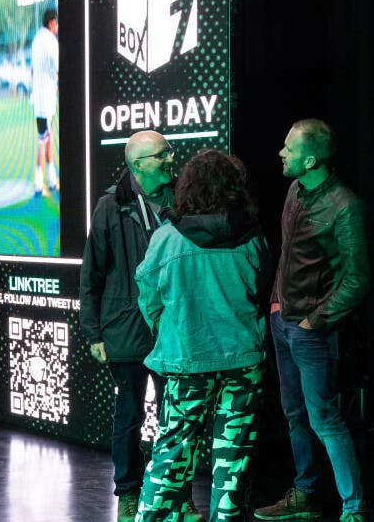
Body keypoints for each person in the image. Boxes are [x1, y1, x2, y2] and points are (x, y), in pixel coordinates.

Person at [135, 149, 271, 522]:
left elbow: (148, 295)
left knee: (173, 450)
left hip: (185, 356)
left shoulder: (166, 239)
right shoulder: (253, 236)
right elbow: (260, 290)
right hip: (242, 357)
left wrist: (166, 330)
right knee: (232, 457)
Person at [254, 119, 370, 522]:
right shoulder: (294, 191)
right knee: (294, 414)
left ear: (311, 157)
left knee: (325, 418)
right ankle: (304, 493)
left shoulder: (344, 206)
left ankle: (353, 508)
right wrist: (275, 306)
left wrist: (314, 322)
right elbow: (288, 255)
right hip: (282, 320)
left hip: (311, 331)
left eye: (288, 148)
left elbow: (357, 279)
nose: (281, 154)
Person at [79, 130, 187, 522]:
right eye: (162, 155)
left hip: (173, 330)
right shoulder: (111, 206)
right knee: (129, 416)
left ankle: (177, 494)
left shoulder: (183, 199)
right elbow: (92, 273)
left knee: (176, 418)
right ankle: (128, 491)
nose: (171, 159)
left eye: (169, 152)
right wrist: (92, 331)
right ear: (138, 165)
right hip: (125, 330)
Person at [30, 7, 60, 196]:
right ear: (51, 22)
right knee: (43, 140)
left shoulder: (36, 39)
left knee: (47, 138)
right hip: (45, 99)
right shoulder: (50, 40)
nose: (57, 27)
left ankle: (51, 179)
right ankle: (38, 183)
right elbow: (58, 68)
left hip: (40, 98)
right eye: (56, 23)